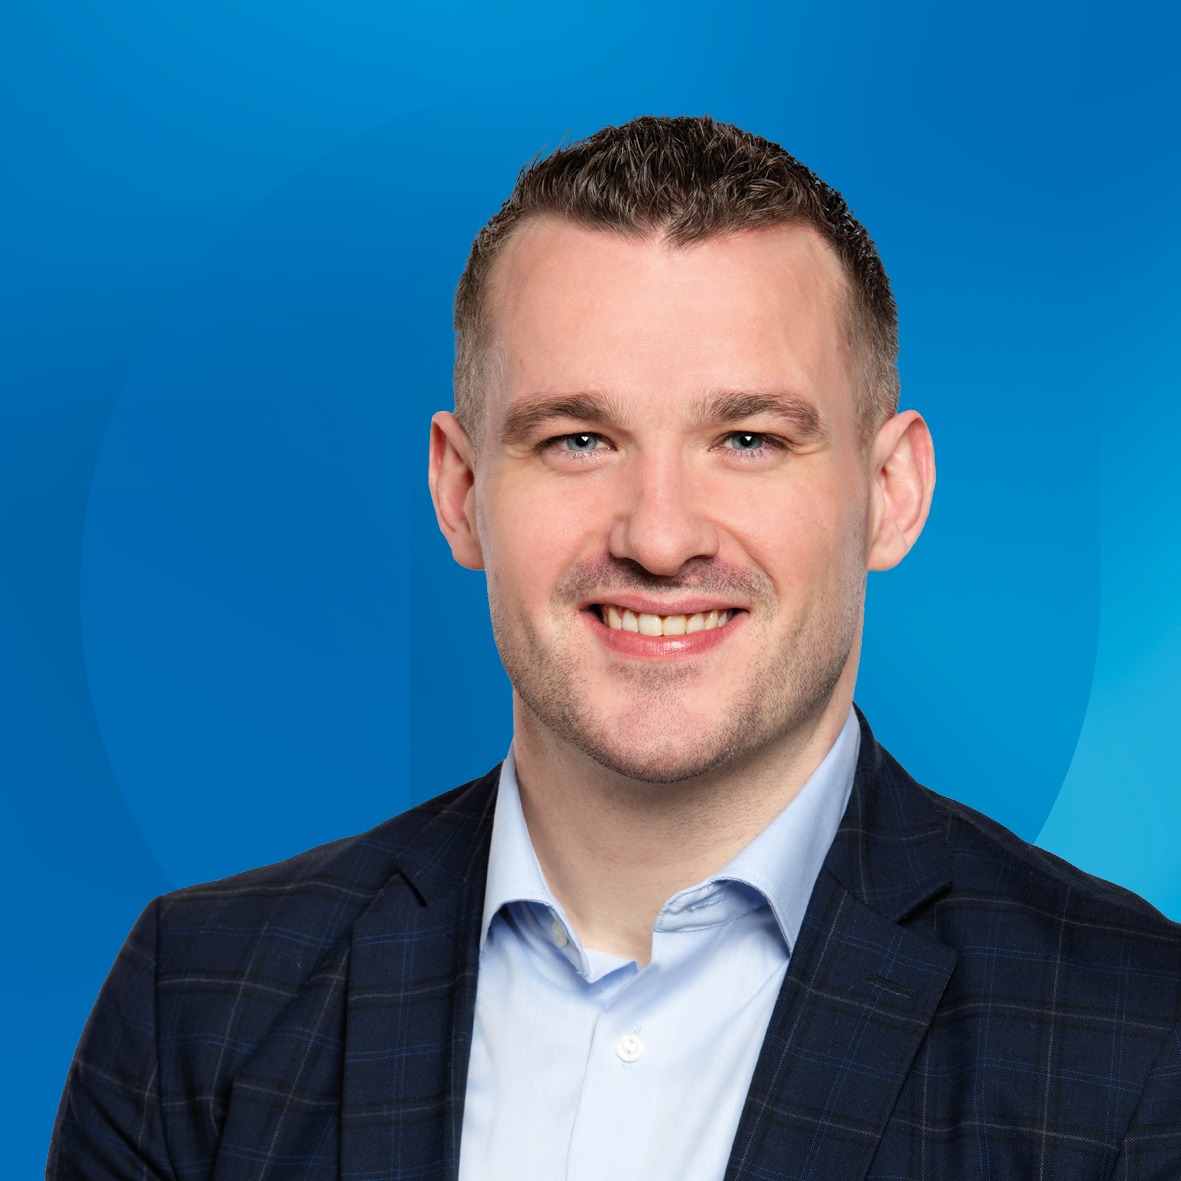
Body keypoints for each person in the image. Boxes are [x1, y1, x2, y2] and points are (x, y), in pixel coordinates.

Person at [49, 115, 1181, 1180]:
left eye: (747, 438)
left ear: (890, 493)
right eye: (579, 439)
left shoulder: (1137, 1036)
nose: (658, 536)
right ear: (460, 490)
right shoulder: (197, 1003)